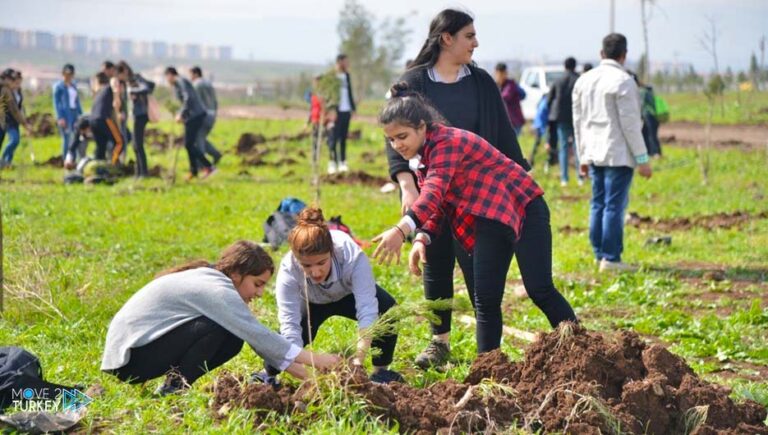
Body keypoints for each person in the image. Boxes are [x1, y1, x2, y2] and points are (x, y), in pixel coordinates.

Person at [372, 85, 577, 354]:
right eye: (391, 140)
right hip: (489, 220)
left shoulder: (447, 142)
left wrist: (401, 230)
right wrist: (422, 236)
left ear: (422, 127)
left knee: (539, 289)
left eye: (402, 136)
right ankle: (488, 369)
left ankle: (581, 349)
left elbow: (432, 193)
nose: (397, 145)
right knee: (486, 300)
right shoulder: (423, 158)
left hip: (524, 209)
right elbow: (439, 206)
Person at [384, 9, 532, 369]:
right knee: (434, 260)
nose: (476, 43)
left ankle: (489, 354)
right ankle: (439, 343)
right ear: (446, 38)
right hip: (428, 189)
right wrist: (406, 184)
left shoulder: (480, 82)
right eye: (469, 35)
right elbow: (394, 135)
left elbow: (503, 133)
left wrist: (521, 181)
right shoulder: (414, 81)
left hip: (476, 194)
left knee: (477, 267)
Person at [101, 241, 341, 395]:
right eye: (257, 284)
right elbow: (257, 334)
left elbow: (257, 340)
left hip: (136, 354)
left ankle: (174, 386)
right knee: (219, 329)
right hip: (130, 359)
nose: (259, 293)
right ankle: (174, 389)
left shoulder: (212, 278)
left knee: (232, 337)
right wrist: (317, 360)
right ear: (236, 274)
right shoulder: (216, 290)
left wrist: (306, 375)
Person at [259, 207, 403, 384]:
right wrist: (306, 373)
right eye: (307, 266)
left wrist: (358, 360)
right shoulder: (289, 270)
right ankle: (268, 373)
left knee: (388, 312)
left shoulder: (351, 256)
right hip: (311, 301)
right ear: (297, 260)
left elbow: (367, 308)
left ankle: (381, 372)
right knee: (283, 343)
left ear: (331, 252)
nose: (316, 271)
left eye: (321, 262)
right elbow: (290, 325)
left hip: (346, 294)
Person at [572, 33, 653, 273]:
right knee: (614, 206)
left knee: (598, 203)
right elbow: (631, 125)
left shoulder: (584, 81)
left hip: (593, 153)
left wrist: (582, 156)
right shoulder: (623, 81)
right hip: (617, 154)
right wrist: (642, 159)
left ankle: (599, 255)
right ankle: (611, 258)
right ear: (624, 55)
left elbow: (579, 122)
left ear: (601, 54)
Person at [164, 66, 215, 180]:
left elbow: (189, 98)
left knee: (189, 144)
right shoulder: (178, 84)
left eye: (167, 78)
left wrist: (181, 114)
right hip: (192, 116)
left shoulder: (181, 81)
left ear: (170, 75)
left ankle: (208, 166)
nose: (167, 81)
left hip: (196, 115)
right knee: (189, 144)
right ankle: (194, 171)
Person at [548, 57, 582, 187]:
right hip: (577, 118)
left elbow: (550, 99)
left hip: (561, 118)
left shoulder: (558, 80)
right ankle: (580, 177)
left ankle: (564, 178)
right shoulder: (579, 79)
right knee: (577, 147)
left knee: (563, 147)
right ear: (575, 66)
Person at [326, 54, 355, 174]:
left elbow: (349, 92)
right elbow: (328, 94)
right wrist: (330, 109)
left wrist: (352, 107)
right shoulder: (332, 76)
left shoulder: (347, 76)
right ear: (339, 62)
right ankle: (332, 162)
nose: (347, 64)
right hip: (335, 112)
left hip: (345, 111)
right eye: (345, 61)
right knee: (333, 137)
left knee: (343, 137)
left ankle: (343, 161)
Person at [126, 65, 155, 177]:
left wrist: (133, 91)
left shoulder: (137, 79)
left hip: (141, 115)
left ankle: (143, 172)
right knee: (135, 145)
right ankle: (139, 172)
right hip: (137, 115)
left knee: (138, 144)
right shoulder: (131, 80)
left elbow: (148, 87)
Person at [190, 66, 222, 165]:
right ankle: (215, 154)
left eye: (190, 74)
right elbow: (215, 102)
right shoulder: (209, 84)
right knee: (201, 138)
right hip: (212, 115)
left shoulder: (196, 85)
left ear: (195, 74)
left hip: (202, 115)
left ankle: (202, 165)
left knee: (198, 139)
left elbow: (193, 101)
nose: (190, 77)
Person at [89, 72, 123, 164]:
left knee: (101, 146)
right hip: (103, 118)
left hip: (92, 120)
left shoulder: (99, 92)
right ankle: (113, 164)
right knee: (119, 142)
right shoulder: (108, 87)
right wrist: (116, 96)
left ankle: (98, 167)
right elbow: (114, 80)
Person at [53, 64, 83, 165]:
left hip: (74, 112)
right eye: (66, 74)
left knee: (76, 136)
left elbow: (77, 101)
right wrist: (60, 117)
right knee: (66, 137)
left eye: (70, 74)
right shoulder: (59, 87)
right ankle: (66, 159)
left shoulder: (74, 85)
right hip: (65, 114)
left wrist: (80, 114)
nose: (68, 76)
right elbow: (57, 103)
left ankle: (74, 158)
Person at [0, 70, 30, 168]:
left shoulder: (9, 89)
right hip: (6, 120)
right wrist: (25, 124)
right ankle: (3, 161)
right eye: (12, 80)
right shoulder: (5, 90)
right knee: (14, 140)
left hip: (6, 121)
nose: (14, 83)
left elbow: (18, 107)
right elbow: (13, 109)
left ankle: (6, 163)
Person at [494, 63, 525, 135]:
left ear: (505, 73)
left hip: (514, 122)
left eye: (500, 74)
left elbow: (504, 97)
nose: (498, 76)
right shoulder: (497, 85)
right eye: (497, 74)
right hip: (504, 122)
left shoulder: (510, 85)